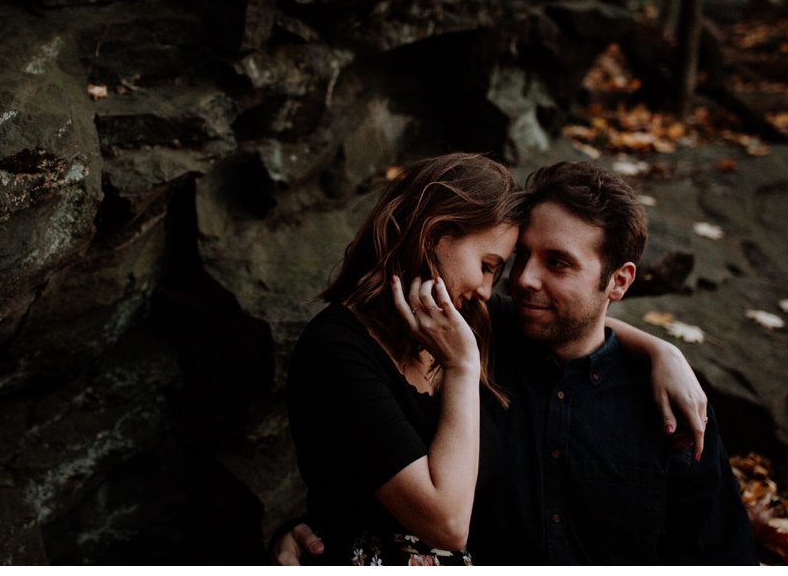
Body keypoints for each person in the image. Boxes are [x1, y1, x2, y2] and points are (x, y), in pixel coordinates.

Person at [283, 155, 718, 565]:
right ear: (434, 235)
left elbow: (573, 320)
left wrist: (663, 351)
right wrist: (461, 368)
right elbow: (447, 525)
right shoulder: (340, 349)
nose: (492, 289)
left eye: (498, 270)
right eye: (489, 265)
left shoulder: (468, 321)